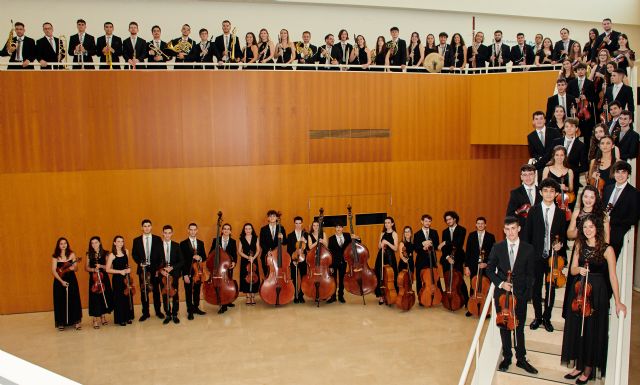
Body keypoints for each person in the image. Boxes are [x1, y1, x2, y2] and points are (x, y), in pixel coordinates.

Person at [561, 215, 626, 383]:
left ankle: (588, 368)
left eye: (591, 227)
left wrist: (618, 301)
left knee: (592, 331)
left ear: (597, 228)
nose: (588, 230)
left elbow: (612, 276)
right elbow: (573, 269)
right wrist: (579, 269)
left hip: (597, 292)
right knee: (577, 328)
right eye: (584, 227)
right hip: (580, 290)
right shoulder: (579, 244)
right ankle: (578, 365)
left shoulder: (607, 249)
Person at [486, 216, 538, 374]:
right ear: (504, 230)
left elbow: (531, 275)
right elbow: (489, 269)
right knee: (504, 325)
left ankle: (521, 358)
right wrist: (501, 284)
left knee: (519, 327)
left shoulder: (528, 249)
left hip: (520, 294)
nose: (510, 232)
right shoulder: (497, 247)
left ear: (519, 228)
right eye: (507, 229)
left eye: (513, 228)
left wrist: (525, 294)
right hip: (502, 295)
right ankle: (507, 357)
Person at [524, 178, 567, 333]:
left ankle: (547, 317)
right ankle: (538, 317)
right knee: (536, 288)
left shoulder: (561, 214)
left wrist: (560, 244)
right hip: (536, 257)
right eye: (545, 191)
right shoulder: (533, 211)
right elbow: (527, 236)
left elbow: (563, 236)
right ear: (541, 193)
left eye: (552, 191)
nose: (549, 194)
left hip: (552, 258)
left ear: (556, 194)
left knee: (550, 289)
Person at [602, 161, 640, 258]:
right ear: (613, 173)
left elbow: (633, 219)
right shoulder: (607, 189)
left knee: (609, 264)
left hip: (617, 234)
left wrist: (612, 220)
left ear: (628, 174)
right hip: (601, 232)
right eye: (617, 172)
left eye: (623, 172)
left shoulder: (634, 193)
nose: (620, 175)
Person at [131, 219, 163, 321]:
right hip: (142, 270)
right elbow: (134, 254)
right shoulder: (136, 240)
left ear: (151, 227)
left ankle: (158, 311)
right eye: (145, 226)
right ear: (142, 228)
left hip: (155, 270)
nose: (147, 228)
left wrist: (158, 268)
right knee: (144, 292)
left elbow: (161, 255)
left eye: (149, 225)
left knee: (156, 292)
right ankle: (145, 313)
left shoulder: (158, 239)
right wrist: (140, 262)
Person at [464, 217, 496, 317]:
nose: (480, 225)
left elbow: (493, 253)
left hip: (486, 267)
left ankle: (486, 309)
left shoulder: (491, 237)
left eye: (482, 223)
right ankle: (471, 308)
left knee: (485, 288)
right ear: (476, 225)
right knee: (473, 286)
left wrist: (487, 263)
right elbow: (468, 252)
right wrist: (467, 267)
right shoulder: (471, 235)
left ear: (485, 225)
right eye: (478, 223)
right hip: (473, 266)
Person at [438, 211, 469, 308]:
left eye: (450, 219)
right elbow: (444, 249)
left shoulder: (462, 230)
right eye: (446, 220)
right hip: (447, 259)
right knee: (447, 279)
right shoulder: (445, 231)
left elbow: (458, 243)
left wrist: (445, 242)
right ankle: (448, 298)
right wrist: (447, 257)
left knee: (459, 280)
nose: (448, 221)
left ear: (455, 219)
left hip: (458, 258)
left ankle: (466, 300)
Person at [548, 118, 588, 192]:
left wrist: (569, 171)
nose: (569, 128)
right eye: (567, 126)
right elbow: (547, 158)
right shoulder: (556, 142)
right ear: (564, 128)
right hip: (555, 179)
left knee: (571, 203)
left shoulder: (581, 146)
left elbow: (585, 166)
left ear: (576, 128)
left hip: (572, 180)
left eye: (572, 126)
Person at [51, 237, 82, 330]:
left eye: (65, 243)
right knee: (60, 301)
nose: (63, 245)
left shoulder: (72, 254)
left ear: (67, 244)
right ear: (58, 245)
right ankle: (61, 322)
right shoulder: (55, 256)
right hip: (59, 280)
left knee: (74, 299)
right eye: (61, 243)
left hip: (71, 279)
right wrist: (61, 281)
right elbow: (53, 270)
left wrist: (74, 267)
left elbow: (76, 269)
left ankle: (76, 321)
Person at [179, 223, 207, 320]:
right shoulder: (182, 244)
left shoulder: (201, 243)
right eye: (191, 229)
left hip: (198, 272)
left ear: (197, 230)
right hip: (188, 272)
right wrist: (185, 274)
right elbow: (181, 260)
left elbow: (204, 257)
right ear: (188, 230)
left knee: (197, 291)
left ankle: (196, 307)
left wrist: (200, 258)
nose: (193, 231)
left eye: (194, 229)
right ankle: (190, 311)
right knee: (188, 292)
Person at [105, 235, 135, 326]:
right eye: (118, 241)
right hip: (117, 279)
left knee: (127, 297)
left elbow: (127, 265)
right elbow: (107, 269)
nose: (120, 243)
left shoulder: (126, 251)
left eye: (122, 241)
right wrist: (120, 272)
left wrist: (129, 269)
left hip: (126, 277)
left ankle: (128, 317)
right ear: (114, 243)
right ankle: (121, 319)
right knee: (119, 299)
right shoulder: (112, 255)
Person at [85, 236, 113, 329]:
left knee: (103, 297)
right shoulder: (89, 254)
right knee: (95, 298)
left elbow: (110, 267)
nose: (94, 245)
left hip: (104, 278)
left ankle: (103, 316)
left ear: (100, 243)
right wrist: (93, 269)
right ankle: (95, 319)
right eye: (92, 243)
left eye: (96, 242)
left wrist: (100, 266)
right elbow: (86, 267)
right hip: (94, 279)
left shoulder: (106, 253)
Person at [209, 223, 237, 314]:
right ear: (221, 231)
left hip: (227, 267)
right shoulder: (216, 240)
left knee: (227, 285)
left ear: (230, 231)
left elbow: (234, 254)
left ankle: (227, 301)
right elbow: (210, 253)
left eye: (228, 229)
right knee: (220, 286)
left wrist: (234, 262)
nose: (226, 230)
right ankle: (223, 305)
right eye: (224, 229)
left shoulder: (233, 241)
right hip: (217, 268)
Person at [412, 214, 440, 305]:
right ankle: (421, 298)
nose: (428, 223)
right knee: (420, 280)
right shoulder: (417, 234)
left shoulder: (434, 232)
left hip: (432, 259)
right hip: (421, 260)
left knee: (435, 278)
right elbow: (416, 248)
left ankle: (437, 295)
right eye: (426, 221)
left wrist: (430, 244)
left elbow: (437, 245)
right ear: (422, 221)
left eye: (429, 221)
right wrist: (423, 246)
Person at [159, 225, 183, 324]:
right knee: (165, 295)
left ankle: (175, 314)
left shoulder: (177, 245)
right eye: (165, 233)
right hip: (163, 275)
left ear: (172, 233)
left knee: (175, 295)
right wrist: (161, 270)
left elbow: (182, 261)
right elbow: (155, 261)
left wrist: (172, 267)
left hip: (174, 275)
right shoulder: (158, 246)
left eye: (169, 233)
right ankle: (168, 314)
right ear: (163, 233)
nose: (167, 235)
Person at [328, 222, 356, 303]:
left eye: (340, 227)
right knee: (333, 280)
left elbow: (355, 242)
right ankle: (333, 297)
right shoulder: (331, 239)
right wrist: (330, 265)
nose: (338, 229)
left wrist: (357, 237)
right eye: (337, 227)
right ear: (335, 228)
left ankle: (341, 296)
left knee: (341, 279)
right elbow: (330, 253)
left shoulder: (347, 236)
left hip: (344, 262)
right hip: (334, 263)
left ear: (342, 228)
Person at [527, 111, 561, 176]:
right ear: (533, 122)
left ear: (545, 120)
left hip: (555, 163)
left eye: (541, 118)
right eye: (536, 119)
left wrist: (552, 160)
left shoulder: (554, 131)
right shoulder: (530, 136)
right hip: (541, 165)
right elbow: (533, 153)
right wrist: (540, 158)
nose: (539, 121)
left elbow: (560, 147)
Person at [506, 164, 540, 229]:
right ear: (521, 177)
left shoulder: (541, 192)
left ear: (535, 175)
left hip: (539, 231)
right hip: (523, 231)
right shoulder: (515, 193)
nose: (528, 177)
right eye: (525, 175)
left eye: (530, 174)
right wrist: (520, 211)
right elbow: (510, 215)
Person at [375, 216, 399, 305]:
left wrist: (387, 243)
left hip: (390, 257)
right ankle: (381, 295)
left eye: (389, 222)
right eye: (385, 223)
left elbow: (396, 248)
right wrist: (382, 244)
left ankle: (391, 294)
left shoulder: (394, 234)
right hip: (381, 256)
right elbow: (378, 246)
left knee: (390, 276)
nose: (387, 224)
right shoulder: (382, 233)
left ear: (392, 224)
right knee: (380, 275)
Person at [259, 210, 287, 276]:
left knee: (278, 274)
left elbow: (285, 242)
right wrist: (268, 250)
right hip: (266, 255)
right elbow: (261, 243)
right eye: (270, 216)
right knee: (267, 274)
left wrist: (282, 238)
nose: (272, 218)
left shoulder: (281, 228)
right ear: (268, 218)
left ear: (277, 218)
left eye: (274, 216)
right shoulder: (263, 229)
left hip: (278, 255)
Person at [239, 223, 261, 305]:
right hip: (245, 260)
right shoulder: (241, 238)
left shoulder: (256, 238)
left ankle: (253, 296)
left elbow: (258, 250)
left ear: (252, 229)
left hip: (254, 260)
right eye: (246, 229)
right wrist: (248, 257)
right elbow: (239, 251)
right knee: (246, 277)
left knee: (254, 278)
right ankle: (248, 297)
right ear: (244, 230)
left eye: (249, 228)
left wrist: (253, 258)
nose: (248, 230)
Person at [286, 216, 307, 303]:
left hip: (303, 259)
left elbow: (308, 248)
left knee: (303, 277)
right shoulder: (290, 235)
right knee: (294, 278)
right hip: (294, 259)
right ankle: (296, 296)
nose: (298, 225)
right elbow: (289, 249)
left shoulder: (306, 234)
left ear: (302, 223)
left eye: (299, 223)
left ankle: (301, 295)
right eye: (296, 223)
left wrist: (305, 242)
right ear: (294, 224)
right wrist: (293, 259)